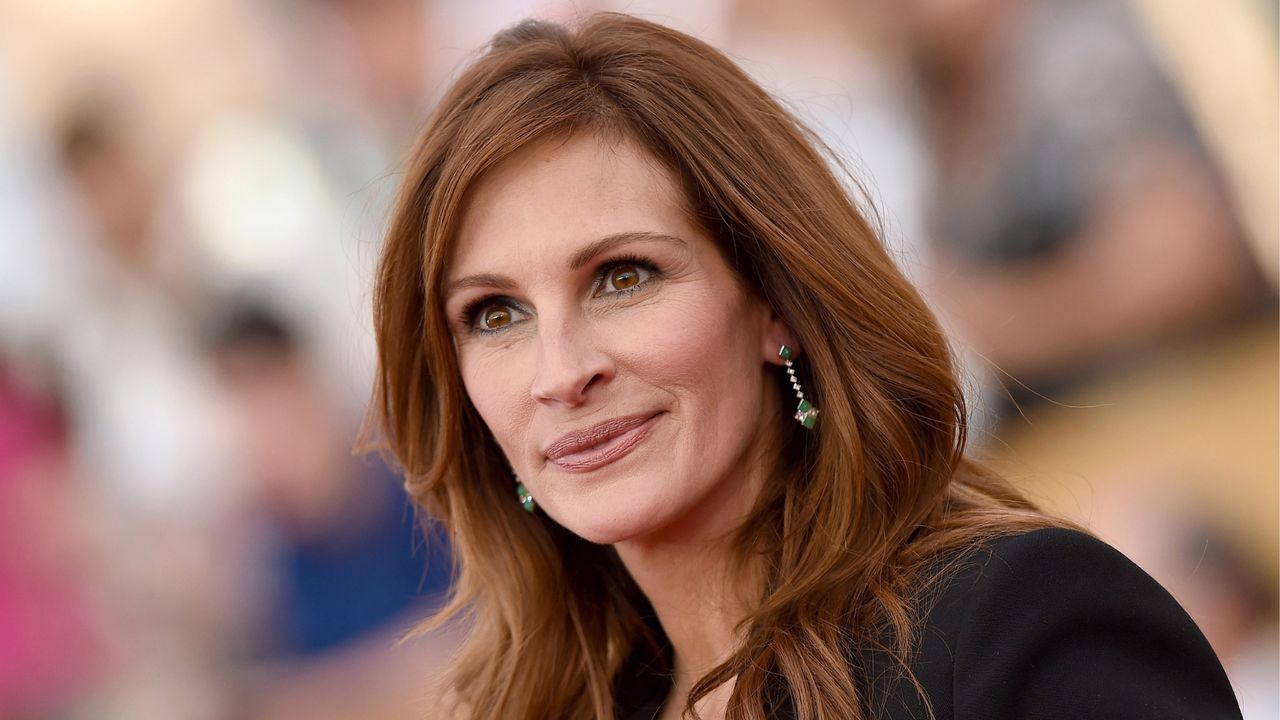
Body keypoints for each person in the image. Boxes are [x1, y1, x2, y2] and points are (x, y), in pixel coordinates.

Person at [360, 13, 1241, 720]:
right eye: (496, 314)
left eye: (623, 277)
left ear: (775, 303)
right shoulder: (546, 705)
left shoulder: (1017, 627)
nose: (560, 372)